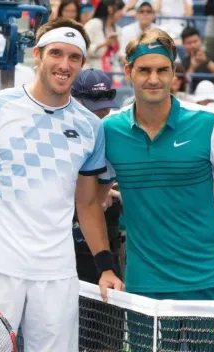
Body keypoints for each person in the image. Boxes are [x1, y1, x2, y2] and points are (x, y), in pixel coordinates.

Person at [0, 18, 123, 352]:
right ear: (37, 55)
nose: (64, 65)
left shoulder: (91, 128)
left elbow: (88, 204)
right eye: (56, 53)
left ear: (82, 63)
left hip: (57, 274)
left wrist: (105, 266)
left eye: (74, 57)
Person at [99, 28, 214, 350]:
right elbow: (89, 200)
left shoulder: (209, 123)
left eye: (162, 70)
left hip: (209, 284)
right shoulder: (109, 130)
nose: (153, 79)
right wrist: (105, 265)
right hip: (146, 291)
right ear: (128, 72)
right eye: (144, 70)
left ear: (174, 73)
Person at [71, 68, 125, 351]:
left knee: (104, 337)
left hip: (101, 250)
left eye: (104, 109)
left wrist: (106, 195)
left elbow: (99, 198)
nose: (100, 115)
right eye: (94, 108)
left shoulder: (109, 134)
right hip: (62, 252)